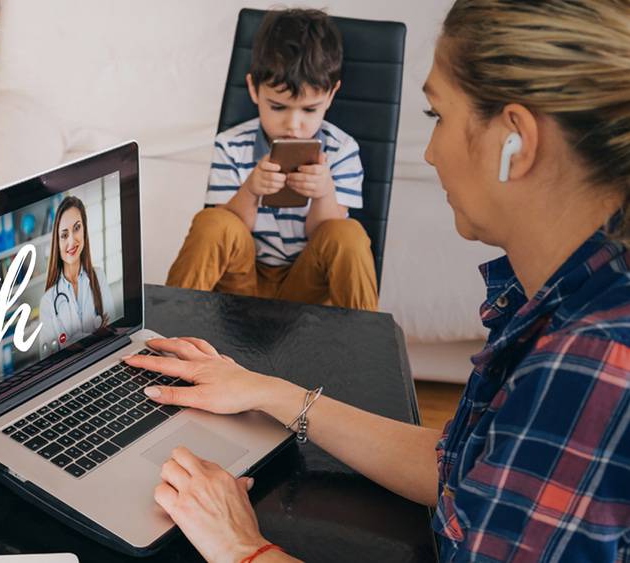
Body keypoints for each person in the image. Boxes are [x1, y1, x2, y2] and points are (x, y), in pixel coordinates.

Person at [125, 0, 630, 560]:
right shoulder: (564, 300)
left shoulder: (592, 361)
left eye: (437, 116)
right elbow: (463, 468)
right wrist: (269, 390)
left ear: (516, 141)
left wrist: (241, 547)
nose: (431, 153)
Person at [166, 8, 378, 311]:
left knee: (347, 233)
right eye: (278, 107)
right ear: (254, 89)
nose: (293, 125)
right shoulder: (232, 146)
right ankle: (167, 332)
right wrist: (252, 189)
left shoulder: (342, 150)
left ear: (331, 95)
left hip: (306, 286)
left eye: (309, 110)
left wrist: (324, 192)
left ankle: (367, 345)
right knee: (213, 221)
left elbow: (327, 237)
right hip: (242, 281)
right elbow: (230, 230)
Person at [38, 196, 114, 357]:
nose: (72, 241)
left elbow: (113, 334)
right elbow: (48, 361)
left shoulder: (99, 277)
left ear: (84, 230)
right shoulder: (48, 301)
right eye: (64, 235)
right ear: (57, 243)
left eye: (77, 228)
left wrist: (73, 342)